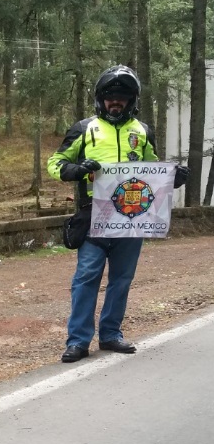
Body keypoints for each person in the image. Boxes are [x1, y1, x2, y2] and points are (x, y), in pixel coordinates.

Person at [47, 64, 190, 363]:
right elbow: (55, 161)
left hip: (133, 218)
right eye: (110, 96)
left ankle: (111, 334)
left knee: (122, 279)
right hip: (93, 217)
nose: (116, 102)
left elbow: (152, 167)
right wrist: (75, 170)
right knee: (86, 278)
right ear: (100, 99)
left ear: (132, 100)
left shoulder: (142, 131)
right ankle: (78, 340)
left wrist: (172, 175)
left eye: (123, 97)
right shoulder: (85, 128)